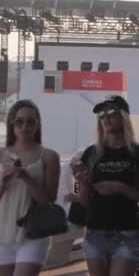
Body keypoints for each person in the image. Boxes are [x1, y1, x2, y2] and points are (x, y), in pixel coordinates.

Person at [75, 95, 139, 276]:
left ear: (124, 117)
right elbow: (82, 199)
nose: (106, 119)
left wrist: (123, 189)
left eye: (111, 113)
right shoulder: (91, 153)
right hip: (95, 231)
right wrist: (82, 182)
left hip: (127, 232)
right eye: (102, 115)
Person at [0, 100, 61, 276]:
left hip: (33, 235)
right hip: (3, 235)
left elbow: (48, 201)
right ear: (12, 123)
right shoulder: (1, 154)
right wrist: (4, 181)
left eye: (30, 122)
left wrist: (26, 177)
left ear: (37, 125)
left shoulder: (49, 156)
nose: (24, 126)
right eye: (19, 121)